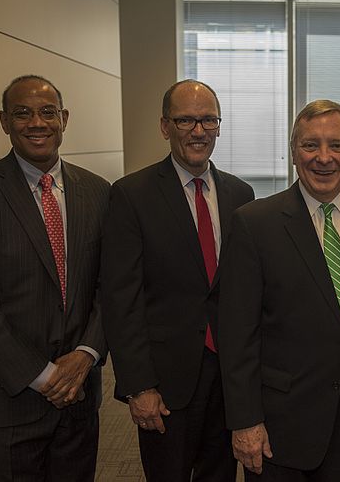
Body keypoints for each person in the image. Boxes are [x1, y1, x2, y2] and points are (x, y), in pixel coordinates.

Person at [219, 100, 340, 481]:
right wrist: (245, 422)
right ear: (293, 152)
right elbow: (237, 335)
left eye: (336, 145)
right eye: (311, 145)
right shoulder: (254, 224)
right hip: (280, 429)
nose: (324, 158)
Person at [0, 75, 110, 481]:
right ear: (4, 121)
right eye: (23, 113)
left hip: (79, 397)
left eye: (47, 112)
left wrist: (87, 353)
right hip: (6, 403)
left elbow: (111, 289)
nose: (37, 122)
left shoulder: (100, 192)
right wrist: (46, 376)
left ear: (64, 119)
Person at [100, 79, 254, 482]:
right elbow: (121, 299)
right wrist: (138, 386)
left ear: (219, 126)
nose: (198, 130)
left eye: (208, 120)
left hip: (228, 378)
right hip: (164, 384)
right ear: (165, 126)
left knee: (220, 475)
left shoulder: (241, 195)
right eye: (185, 119)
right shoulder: (132, 195)